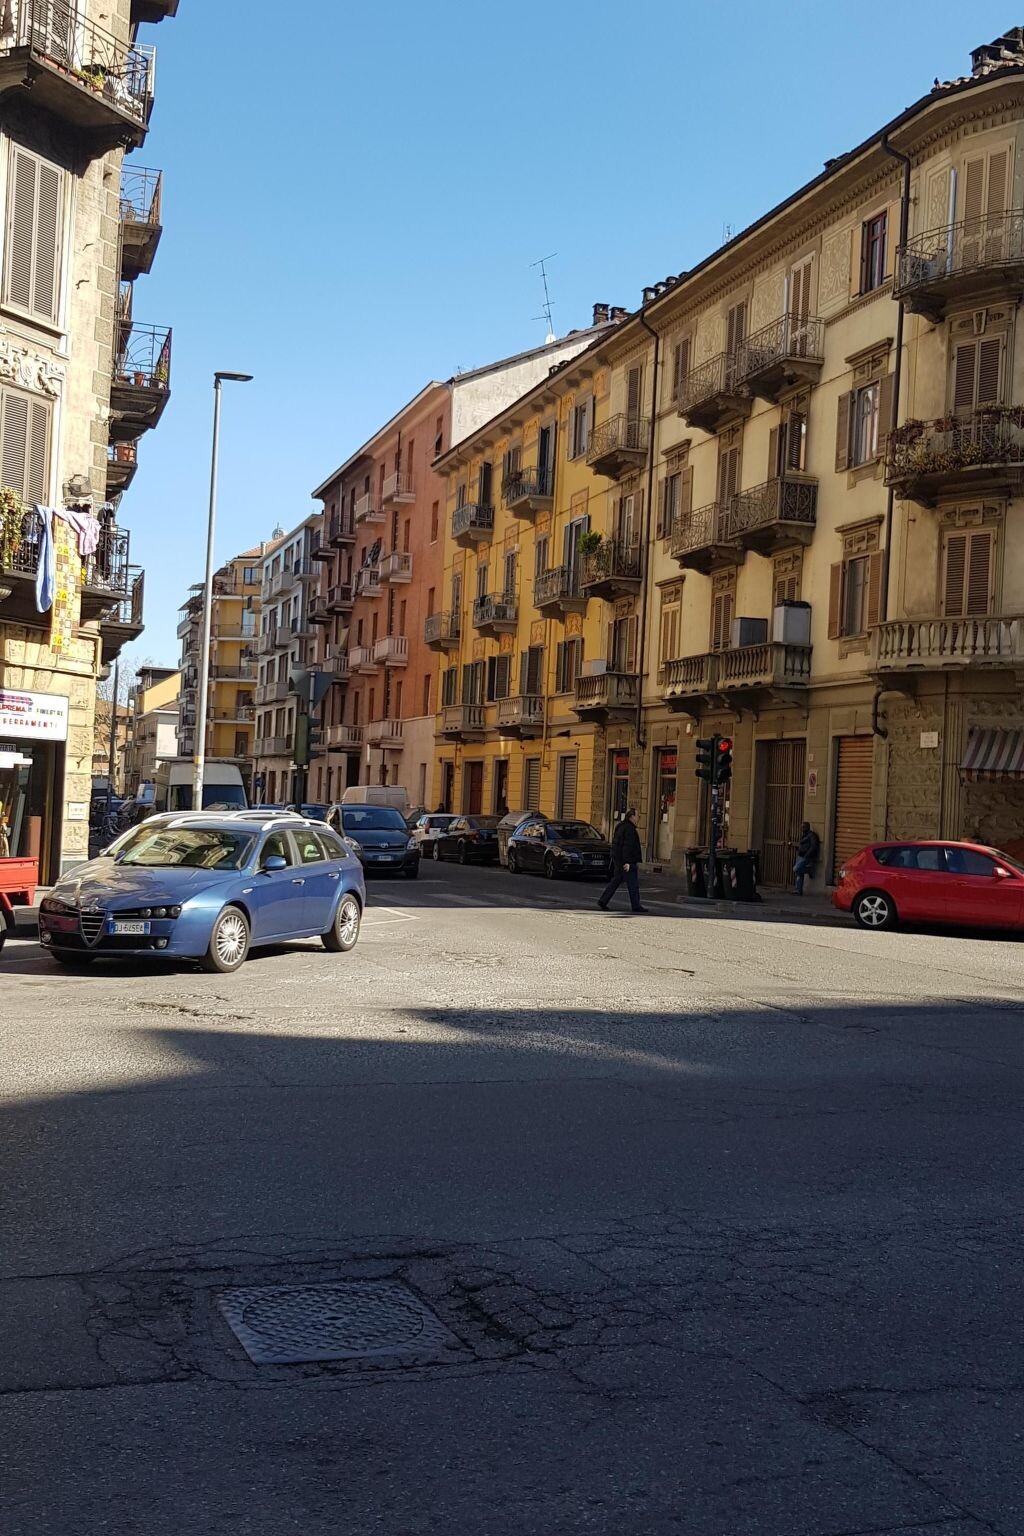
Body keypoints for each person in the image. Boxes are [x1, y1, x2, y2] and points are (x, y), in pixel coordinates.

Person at [598, 807, 647, 913]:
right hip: (627, 861)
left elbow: (618, 844)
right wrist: (627, 862)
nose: (639, 818)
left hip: (618, 859)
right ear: (632, 817)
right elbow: (627, 847)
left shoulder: (620, 826)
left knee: (616, 881)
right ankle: (636, 906)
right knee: (633, 884)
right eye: (638, 816)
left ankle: (603, 900)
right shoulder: (629, 829)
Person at [793, 822, 820, 894]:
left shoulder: (812, 835)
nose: (802, 829)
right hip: (800, 855)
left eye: (804, 827)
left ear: (808, 827)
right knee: (798, 873)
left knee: (796, 869)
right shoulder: (804, 835)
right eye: (801, 827)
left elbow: (813, 846)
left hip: (806, 856)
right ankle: (798, 890)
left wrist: (807, 855)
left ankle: (809, 870)